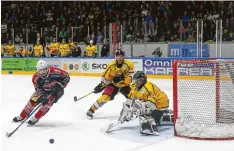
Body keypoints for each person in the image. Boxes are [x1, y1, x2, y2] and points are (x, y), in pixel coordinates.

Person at [12, 60, 70, 125]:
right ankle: (22, 116)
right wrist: (43, 96)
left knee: (47, 103)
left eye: (43, 70)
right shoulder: (35, 77)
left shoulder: (55, 71)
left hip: (56, 90)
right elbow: (38, 89)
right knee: (33, 99)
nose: (41, 72)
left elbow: (67, 76)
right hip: (44, 90)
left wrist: (61, 85)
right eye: (40, 70)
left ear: (47, 68)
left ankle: (37, 117)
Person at [86, 49, 134, 118]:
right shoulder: (111, 65)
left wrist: (122, 78)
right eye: (118, 56)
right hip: (113, 84)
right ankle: (91, 110)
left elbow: (131, 77)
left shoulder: (129, 64)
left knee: (133, 97)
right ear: (115, 57)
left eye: (121, 56)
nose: (119, 58)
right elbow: (105, 77)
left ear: (123, 56)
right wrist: (102, 85)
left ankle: (135, 111)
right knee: (105, 97)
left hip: (125, 85)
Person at [118, 71, 169, 135]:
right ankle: (163, 117)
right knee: (136, 106)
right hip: (154, 103)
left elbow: (151, 102)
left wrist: (141, 111)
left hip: (161, 104)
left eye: (140, 80)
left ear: (143, 80)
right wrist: (126, 112)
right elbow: (129, 100)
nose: (137, 82)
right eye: (136, 80)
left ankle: (149, 126)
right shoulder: (134, 87)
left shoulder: (147, 87)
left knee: (143, 109)